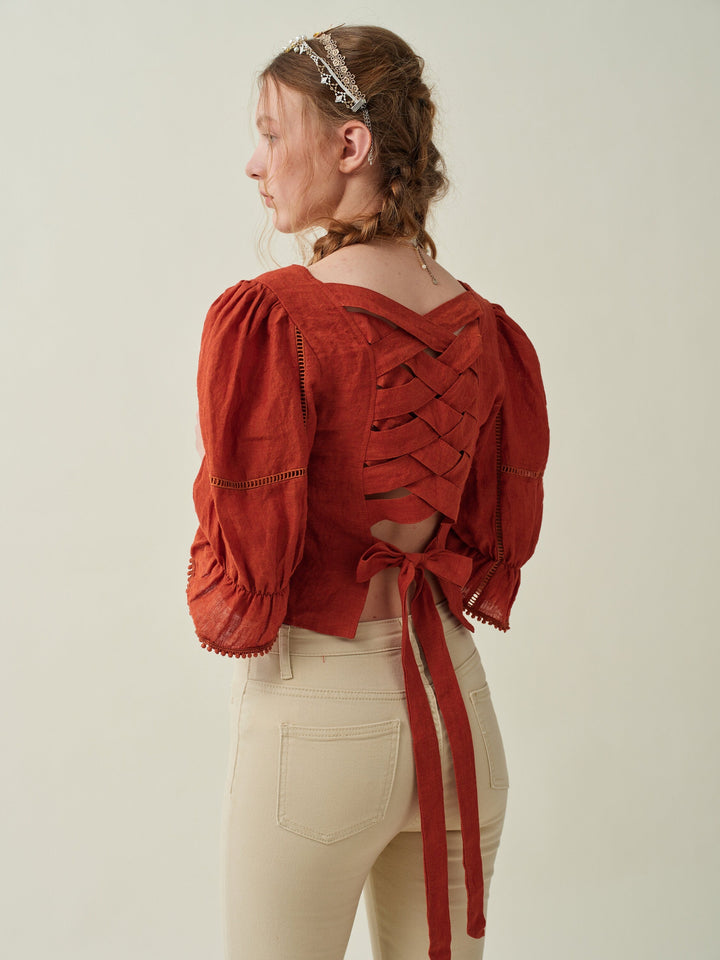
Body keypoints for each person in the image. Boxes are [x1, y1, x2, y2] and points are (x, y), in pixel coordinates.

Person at [187, 25, 549, 960]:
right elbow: (487, 530)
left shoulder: (279, 318)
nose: (254, 163)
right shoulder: (485, 328)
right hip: (458, 715)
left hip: (319, 731)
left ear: (351, 144)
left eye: (272, 134)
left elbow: (248, 555)